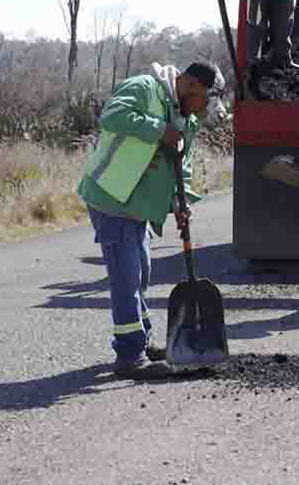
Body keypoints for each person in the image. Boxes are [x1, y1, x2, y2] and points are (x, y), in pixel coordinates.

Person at [78, 61, 220, 379]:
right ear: (190, 84)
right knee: (126, 280)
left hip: (139, 205)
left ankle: (141, 340)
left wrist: (179, 203)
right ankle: (129, 356)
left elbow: (177, 166)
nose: (202, 108)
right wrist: (159, 129)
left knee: (140, 273)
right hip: (111, 198)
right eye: (202, 99)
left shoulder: (185, 118)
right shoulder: (145, 88)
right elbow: (112, 116)